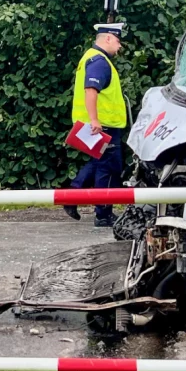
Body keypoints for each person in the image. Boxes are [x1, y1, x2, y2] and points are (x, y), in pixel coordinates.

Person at [64, 22, 127, 228]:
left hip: (95, 125)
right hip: (102, 126)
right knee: (108, 168)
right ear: (108, 38)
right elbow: (91, 90)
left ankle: (72, 196)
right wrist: (95, 120)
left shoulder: (92, 57)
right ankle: (103, 214)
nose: (120, 46)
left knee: (98, 163)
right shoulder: (99, 61)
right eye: (117, 40)